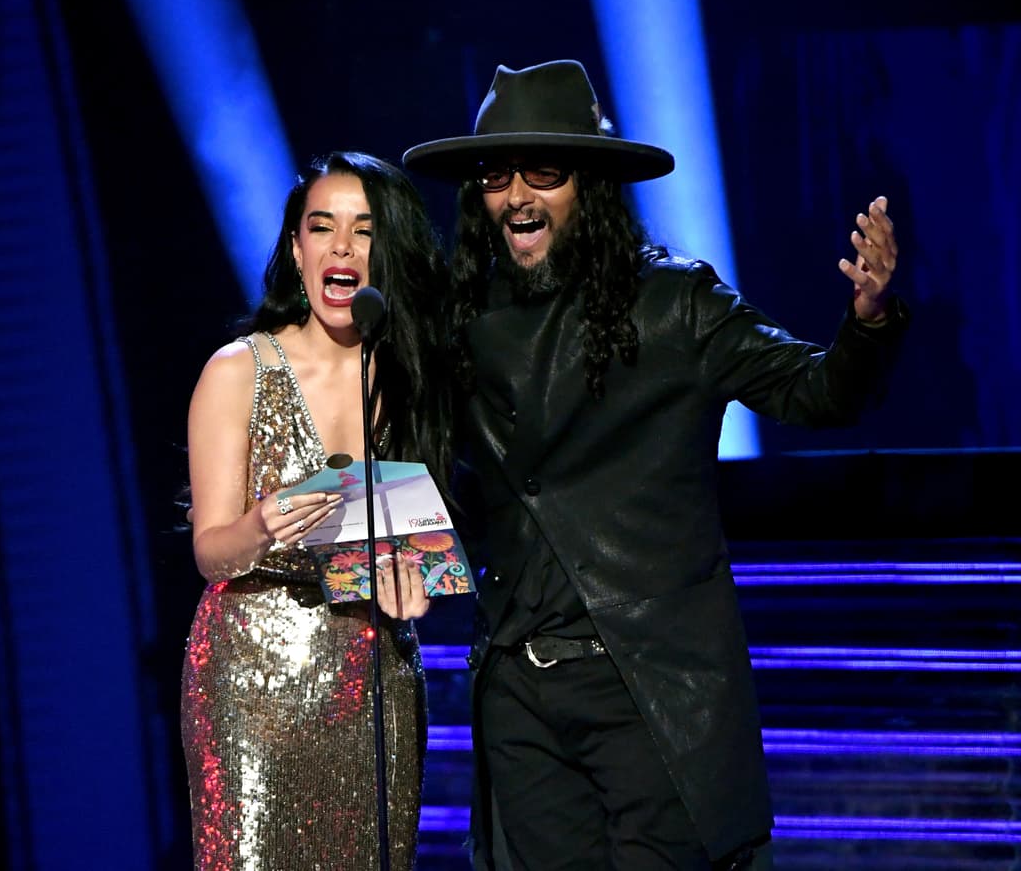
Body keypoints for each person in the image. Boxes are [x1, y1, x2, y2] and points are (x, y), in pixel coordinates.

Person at [401, 60, 908, 870]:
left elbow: (817, 393)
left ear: (591, 182)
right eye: (496, 173)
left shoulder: (674, 303)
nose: (517, 195)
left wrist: (869, 321)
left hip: (649, 684)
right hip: (519, 698)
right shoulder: (458, 320)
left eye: (544, 170)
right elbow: (415, 463)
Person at [180, 150, 457, 869]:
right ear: (295, 248)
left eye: (364, 230)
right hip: (253, 676)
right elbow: (209, 549)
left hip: (374, 676)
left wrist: (412, 585)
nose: (341, 247)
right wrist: (260, 523)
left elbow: (413, 542)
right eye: (321, 226)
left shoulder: (407, 375)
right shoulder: (238, 370)